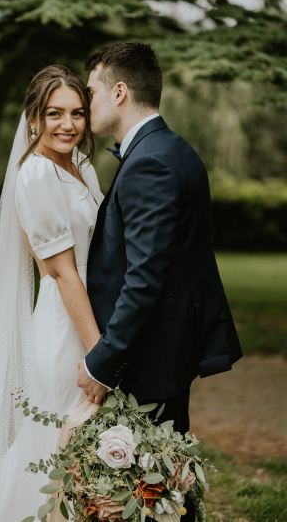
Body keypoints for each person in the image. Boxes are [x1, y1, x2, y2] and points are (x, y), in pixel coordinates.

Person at [76, 42, 243, 522]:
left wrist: (103, 361)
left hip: (152, 351)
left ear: (120, 92)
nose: (88, 104)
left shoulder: (150, 162)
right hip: (167, 343)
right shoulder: (169, 149)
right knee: (163, 480)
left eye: (92, 92)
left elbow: (144, 278)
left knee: (150, 485)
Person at [0, 65, 105, 521]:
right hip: (65, 324)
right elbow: (62, 273)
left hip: (92, 312)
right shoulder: (35, 175)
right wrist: (100, 354)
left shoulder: (81, 165)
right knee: (48, 451)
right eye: (54, 113)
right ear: (33, 118)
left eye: (77, 113)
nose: (67, 125)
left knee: (74, 448)